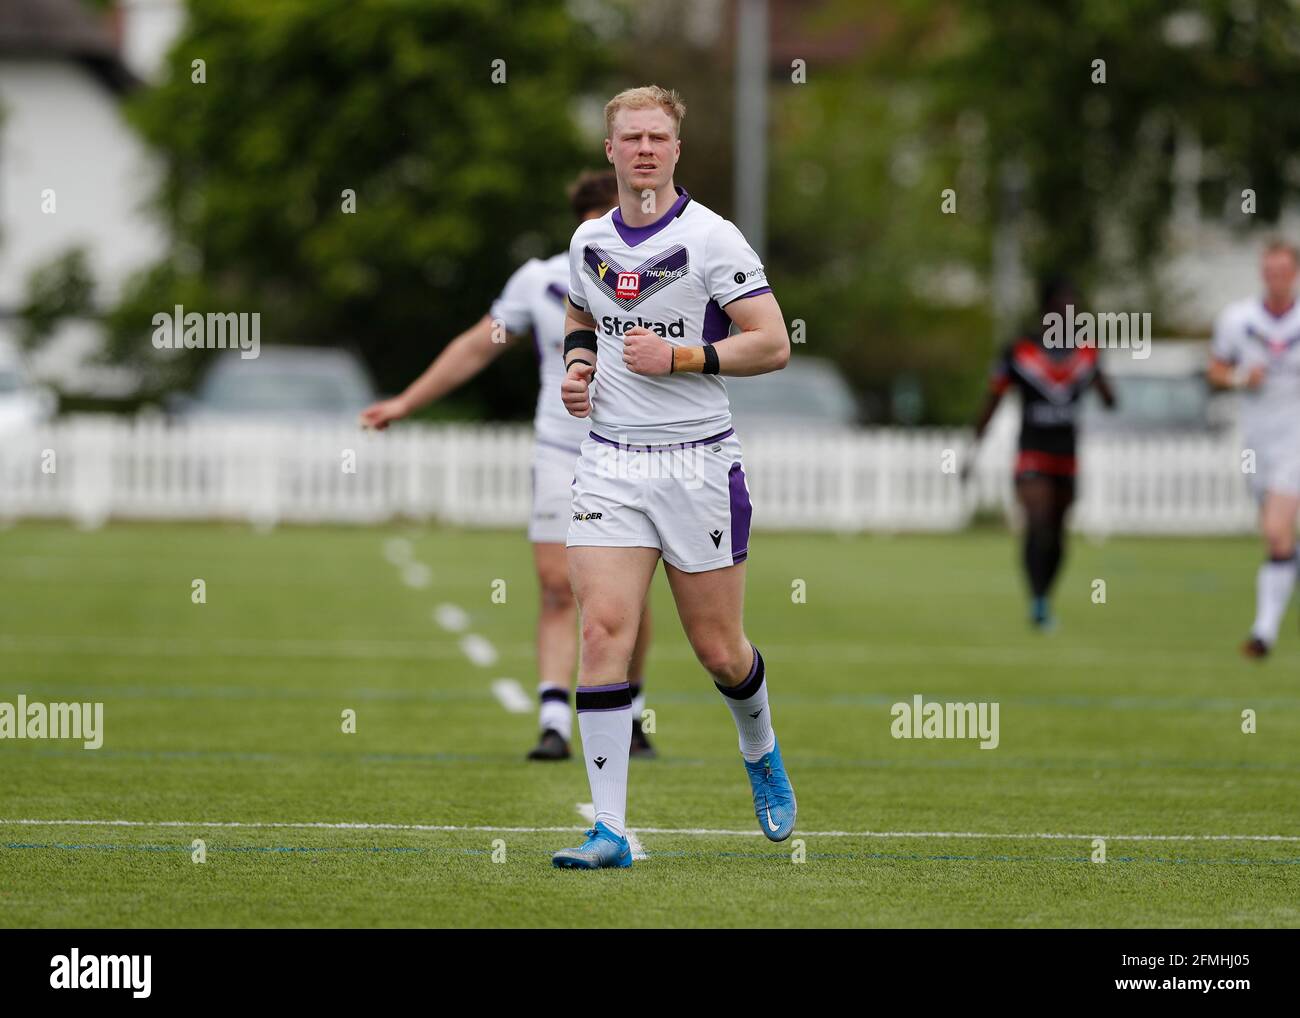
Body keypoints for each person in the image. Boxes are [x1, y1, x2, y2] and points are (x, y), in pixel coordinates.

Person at [550, 85, 794, 870]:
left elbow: (773, 342)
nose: (646, 148)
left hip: (697, 463)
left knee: (719, 652)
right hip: (611, 461)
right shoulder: (589, 241)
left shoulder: (714, 239)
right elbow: (581, 313)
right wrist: (579, 367)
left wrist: (686, 356)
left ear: (677, 150)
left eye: (659, 136)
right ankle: (609, 829)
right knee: (602, 631)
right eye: (632, 138)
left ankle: (758, 746)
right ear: (611, 151)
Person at [359, 171, 656, 759]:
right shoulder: (542, 282)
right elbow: (478, 344)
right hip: (559, 449)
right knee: (554, 587)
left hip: (632, 451)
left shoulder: (659, 277)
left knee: (627, 598)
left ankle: (631, 710)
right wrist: (406, 401)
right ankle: (553, 722)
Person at [967, 276, 1116, 629]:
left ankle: (1045, 597)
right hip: (1032, 452)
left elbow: (1110, 399)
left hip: (1067, 455)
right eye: (1064, 306)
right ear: (1047, 309)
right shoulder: (1020, 352)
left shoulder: (1086, 352)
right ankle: (1035, 600)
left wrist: (1103, 382)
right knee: (1037, 522)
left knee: (1058, 533)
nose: (1070, 313)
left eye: (1074, 307)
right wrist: (972, 450)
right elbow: (993, 401)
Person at [1207, 240, 1300, 659]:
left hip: (1295, 439)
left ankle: (1263, 633)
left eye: (1283, 271)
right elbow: (1216, 370)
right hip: (1256, 442)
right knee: (1278, 538)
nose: (1276, 279)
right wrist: (1244, 378)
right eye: (1269, 272)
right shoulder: (1237, 319)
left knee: (1276, 532)